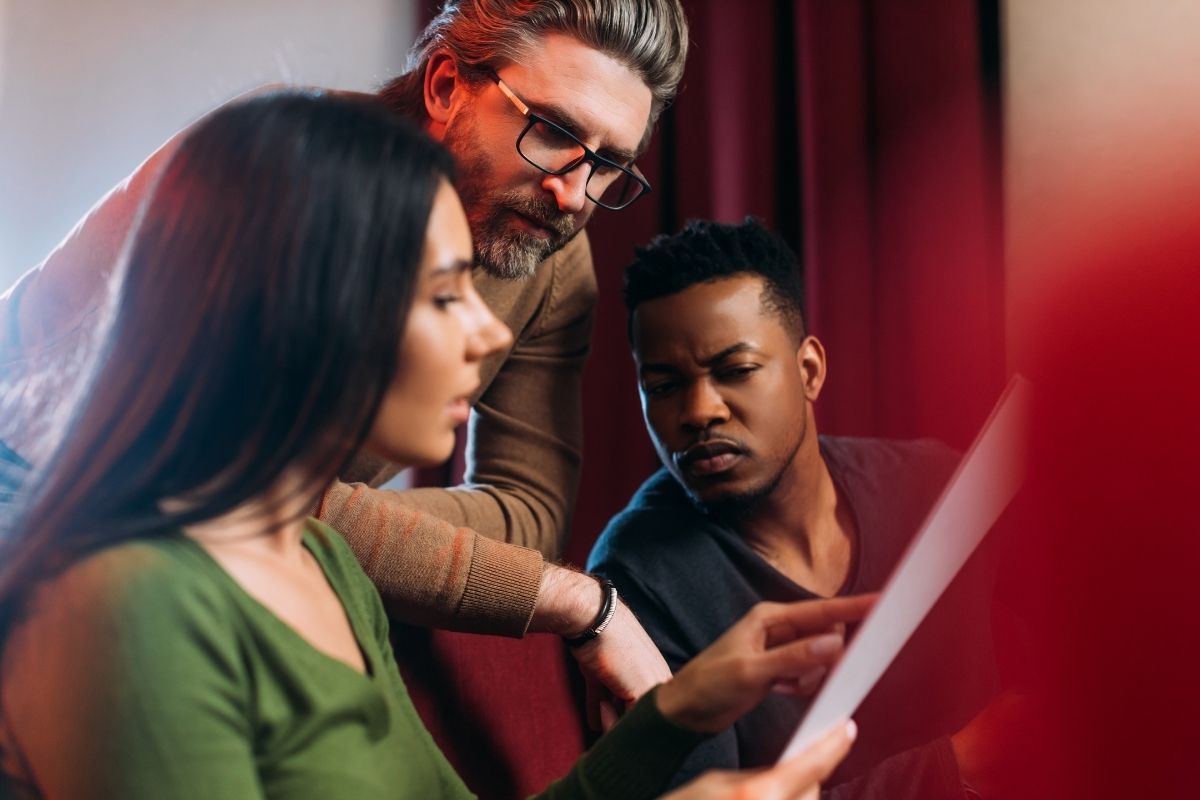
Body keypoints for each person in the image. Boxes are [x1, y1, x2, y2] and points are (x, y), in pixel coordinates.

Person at [0, 91, 863, 800]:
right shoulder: (129, 609)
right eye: (446, 295)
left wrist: (680, 711)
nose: (491, 336)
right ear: (310, 310)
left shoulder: (325, 561)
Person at [0, 0, 690, 709]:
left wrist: (334, 517)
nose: (574, 196)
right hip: (34, 499)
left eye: (609, 164)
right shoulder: (286, 164)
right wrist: (574, 600)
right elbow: (221, 486)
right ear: (447, 85)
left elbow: (528, 517)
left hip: (200, 554)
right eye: (551, 131)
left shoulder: (550, 254)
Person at [588, 219, 1003, 798]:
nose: (699, 410)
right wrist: (951, 768)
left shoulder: (935, 485)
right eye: (664, 386)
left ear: (809, 370)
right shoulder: (639, 577)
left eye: (735, 372)